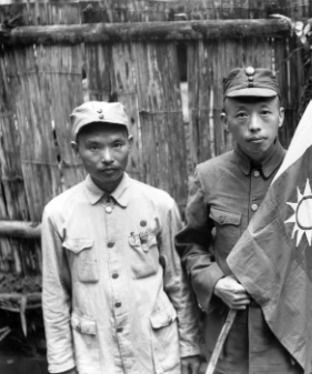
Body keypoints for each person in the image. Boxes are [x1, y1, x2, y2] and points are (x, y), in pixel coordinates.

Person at [42, 101, 201, 374]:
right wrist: (62, 363)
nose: (107, 157)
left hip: (156, 353)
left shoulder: (159, 205)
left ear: (130, 143)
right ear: (75, 150)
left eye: (117, 144)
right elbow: (55, 294)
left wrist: (189, 346)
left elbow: (178, 283)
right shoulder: (58, 213)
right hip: (95, 356)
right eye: (93, 147)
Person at [175, 66, 303, 373]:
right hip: (228, 338)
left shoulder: (304, 173)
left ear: (281, 116)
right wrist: (216, 282)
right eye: (242, 115)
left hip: (287, 341)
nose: (254, 126)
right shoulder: (208, 176)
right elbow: (191, 247)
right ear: (225, 121)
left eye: (264, 113)